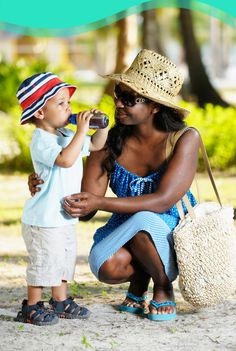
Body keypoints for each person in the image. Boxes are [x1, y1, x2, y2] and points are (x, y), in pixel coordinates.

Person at [29, 50, 200, 322]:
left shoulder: (184, 138)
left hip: (169, 229)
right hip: (125, 225)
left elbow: (163, 201)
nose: (119, 104)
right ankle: (140, 279)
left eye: (130, 99)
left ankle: (163, 285)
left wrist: (102, 203)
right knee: (105, 265)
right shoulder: (108, 142)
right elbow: (86, 209)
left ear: (155, 105)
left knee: (145, 218)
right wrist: (48, 177)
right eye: (118, 95)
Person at [16, 71, 108, 325]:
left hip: (64, 216)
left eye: (68, 103)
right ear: (40, 113)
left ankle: (60, 300)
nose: (69, 108)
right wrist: (79, 132)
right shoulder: (42, 140)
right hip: (43, 219)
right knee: (44, 263)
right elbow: (66, 160)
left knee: (63, 260)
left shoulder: (66, 135)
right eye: (61, 103)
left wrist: (100, 127)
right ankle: (31, 306)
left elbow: (97, 145)